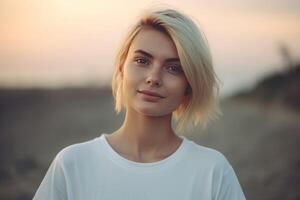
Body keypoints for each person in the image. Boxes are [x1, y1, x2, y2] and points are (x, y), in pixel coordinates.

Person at [33, 6, 246, 200]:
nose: (153, 77)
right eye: (142, 61)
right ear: (121, 67)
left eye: (174, 68)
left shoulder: (213, 172)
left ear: (188, 85)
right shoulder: (72, 165)